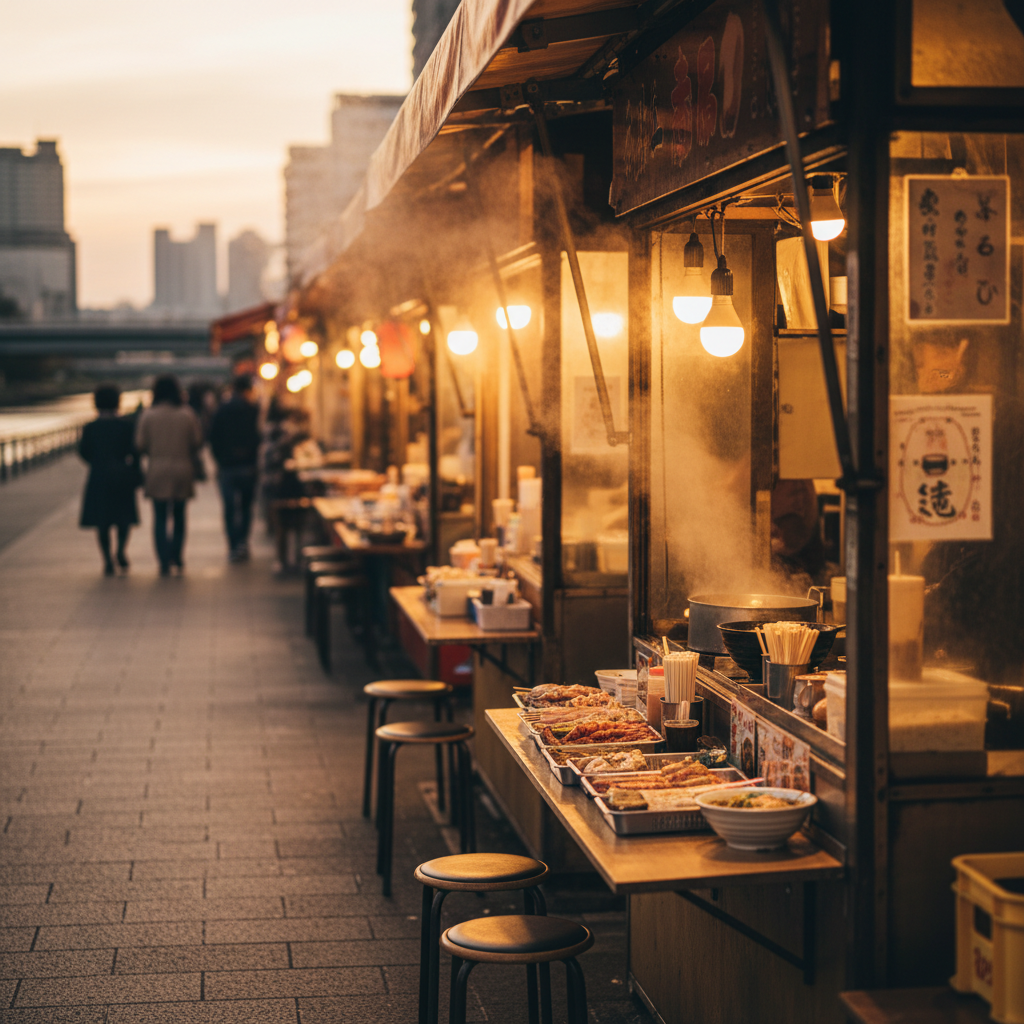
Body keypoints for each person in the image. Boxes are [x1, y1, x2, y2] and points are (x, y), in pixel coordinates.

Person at [135, 374, 203, 576]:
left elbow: (140, 445)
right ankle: (178, 556)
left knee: (160, 517)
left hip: (157, 470)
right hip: (183, 469)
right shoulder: (187, 414)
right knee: (180, 516)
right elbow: (197, 441)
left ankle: (163, 560)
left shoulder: (148, 415)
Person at [78, 383, 140, 575]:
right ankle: (120, 550)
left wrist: (96, 463)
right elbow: (135, 450)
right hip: (121, 475)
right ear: (117, 402)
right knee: (124, 518)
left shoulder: (90, 428)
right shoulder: (126, 425)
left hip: (99, 476)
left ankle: (107, 559)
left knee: (102, 521)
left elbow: (83, 452)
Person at [209, 373, 261, 562]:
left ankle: (233, 544)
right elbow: (258, 436)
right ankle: (243, 543)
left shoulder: (221, 410)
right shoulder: (253, 409)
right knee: (246, 507)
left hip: (227, 466)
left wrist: (220, 459)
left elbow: (213, 437)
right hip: (247, 465)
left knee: (230, 508)